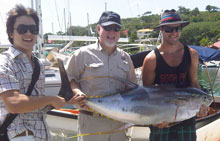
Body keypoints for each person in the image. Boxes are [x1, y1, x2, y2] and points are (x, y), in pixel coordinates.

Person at [0, 5, 82, 141]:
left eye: (33, 29)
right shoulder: (4, 62)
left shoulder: (38, 64)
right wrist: (50, 99)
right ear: (10, 33)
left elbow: (35, 107)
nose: (28, 33)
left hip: (41, 134)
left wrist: (60, 101)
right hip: (18, 136)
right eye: (22, 29)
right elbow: (14, 104)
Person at [66, 11, 137, 141]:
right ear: (99, 29)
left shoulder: (125, 58)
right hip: (91, 122)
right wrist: (78, 92)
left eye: (116, 29)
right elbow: (70, 78)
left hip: (119, 124)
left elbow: (133, 90)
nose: (112, 32)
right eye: (107, 28)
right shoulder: (82, 54)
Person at [142, 9, 208, 141]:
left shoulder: (192, 54)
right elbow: (145, 95)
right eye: (168, 29)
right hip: (160, 121)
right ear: (161, 29)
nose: (174, 33)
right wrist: (153, 120)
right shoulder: (151, 59)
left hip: (186, 120)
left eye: (178, 28)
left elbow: (194, 83)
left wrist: (202, 105)